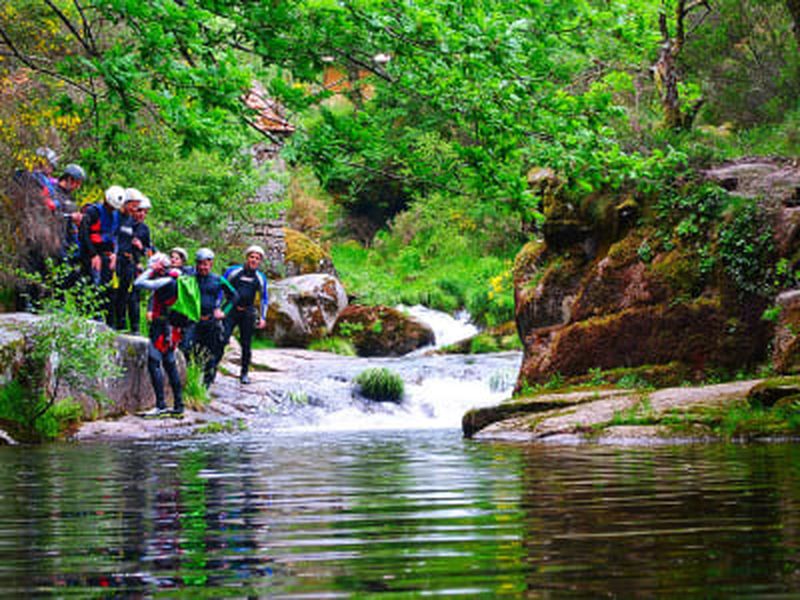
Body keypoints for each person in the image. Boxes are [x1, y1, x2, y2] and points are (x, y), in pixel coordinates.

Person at [134, 253, 184, 417]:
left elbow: (139, 283)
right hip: (171, 328)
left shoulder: (166, 281)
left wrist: (150, 270)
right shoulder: (175, 277)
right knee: (170, 364)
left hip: (162, 328)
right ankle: (178, 405)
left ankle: (161, 404)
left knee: (154, 362)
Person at [184, 248, 238, 387]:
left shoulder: (218, 280)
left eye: (206, 264)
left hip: (211, 322)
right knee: (187, 349)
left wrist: (224, 312)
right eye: (200, 264)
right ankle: (188, 382)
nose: (203, 267)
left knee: (211, 355)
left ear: (211, 264)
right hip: (193, 321)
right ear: (196, 264)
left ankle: (206, 385)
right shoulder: (189, 277)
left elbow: (234, 296)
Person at [223, 245, 269, 384]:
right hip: (231, 309)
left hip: (248, 312)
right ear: (247, 258)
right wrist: (217, 308)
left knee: (246, 344)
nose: (254, 260)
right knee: (222, 338)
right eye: (252, 257)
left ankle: (244, 373)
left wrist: (263, 317)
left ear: (260, 261)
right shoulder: (234, 271)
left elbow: (264, 298)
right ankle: (211, 368)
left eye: (257, 258)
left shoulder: (260, 277)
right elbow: (220, 287)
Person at [79, 183, 121, 324]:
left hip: (106, 255)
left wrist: (114, 254)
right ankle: (88, 314)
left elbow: (115, 236)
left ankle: (102, 317)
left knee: (106, 287)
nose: (111, 209)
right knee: (91, 283)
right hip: (90, 254)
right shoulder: (93, 211)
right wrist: (93, 255)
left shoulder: (115, 215)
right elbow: (83, 234)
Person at [113, 187, 142, 331]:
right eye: (134, 205)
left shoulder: (131, 220)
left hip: (127, 261)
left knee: (125, 293)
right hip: (116, 259)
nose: (136, 209)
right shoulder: (116, 216)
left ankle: (121, 323)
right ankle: (112, 321)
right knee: (114, 292)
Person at [127, 194, 154, 334]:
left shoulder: (144, 229)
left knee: (134, 297)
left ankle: (135, 328)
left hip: (134, 264)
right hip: (120, 262)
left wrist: (141, 248)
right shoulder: (124, 222)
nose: (142, 214)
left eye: (145, 212)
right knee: (116, 295)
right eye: (140, 211)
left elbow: (149, 251)